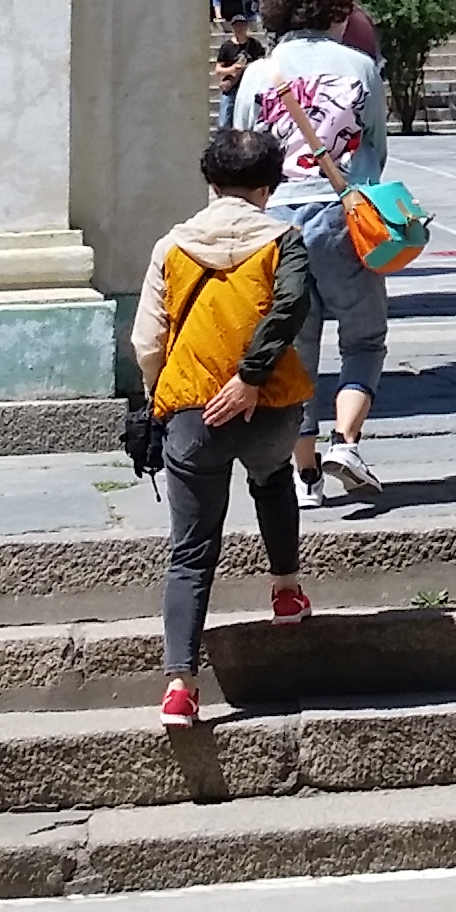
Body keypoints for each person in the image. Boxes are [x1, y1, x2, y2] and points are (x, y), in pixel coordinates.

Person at [131, 126, 318, 726]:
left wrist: (157, 397)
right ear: (269, 186)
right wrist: (253, 378)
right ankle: (286, 589)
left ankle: (181, 686)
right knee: (271, 479)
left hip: (193, 410)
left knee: (191, 550)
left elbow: (146, 340)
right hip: (273, 407)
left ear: (210, 183)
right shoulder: (284, 238)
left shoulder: (173, 246)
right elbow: (290, 308)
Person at [230, 0, 396, 502]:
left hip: (276, 219)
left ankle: (304, 478)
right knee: (364, 336)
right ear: (339, 7)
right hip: (341, 214)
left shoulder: (259, 72)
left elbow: (242, 148)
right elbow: (376, 148)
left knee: (294, 350)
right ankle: (346, 442)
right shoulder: (361, 67)